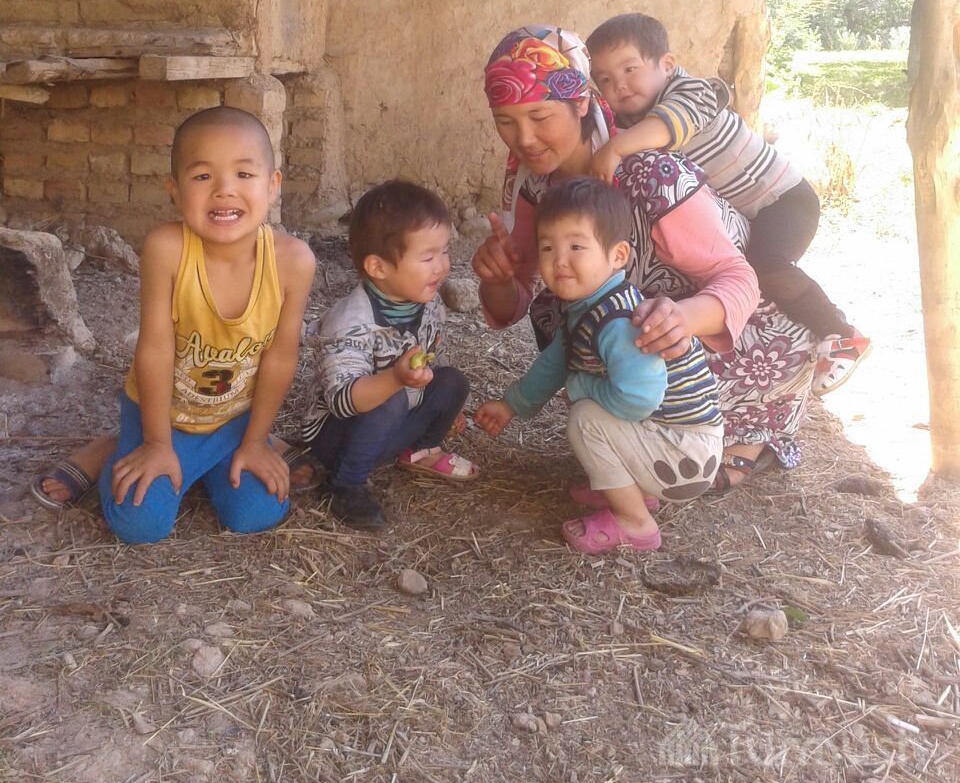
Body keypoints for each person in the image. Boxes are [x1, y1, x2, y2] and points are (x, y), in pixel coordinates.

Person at [473, 24, 816, 494]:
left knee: (606, 321)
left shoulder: (651, 175)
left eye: (539, 116)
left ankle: (741, 433)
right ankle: (635, 434)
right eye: (506, 122)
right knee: (560, 308)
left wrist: (682, 317)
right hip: (641, 342)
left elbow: (739, 278)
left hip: (731, 335)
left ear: (580, 104)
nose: (524, 138)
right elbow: (517, 301)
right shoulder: (538, 188)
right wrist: (498, 278)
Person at [31, 113, 319, 512]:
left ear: (272, 185)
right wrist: (155, 444)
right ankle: (111, 448)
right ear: (175, 190)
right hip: (164, 414)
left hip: (235, 416)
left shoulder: (293, 262)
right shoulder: (167, 249)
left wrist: (255, 441)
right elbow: (155, 349)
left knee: (259, 512)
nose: (224, 189)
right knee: (137, 518)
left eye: (244, 174)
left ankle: (251, 444)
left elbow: (281, 356)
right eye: (202, 176)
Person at [584, 13, 869, 395]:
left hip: (784, 199)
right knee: (747, 280)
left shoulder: (692, 92)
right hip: (748, 211)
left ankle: (842, 334)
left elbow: (667, 128)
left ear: (666, 64)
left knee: (766, 267)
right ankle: (799, 342)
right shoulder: (631, 118)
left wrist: (613, 149)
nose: (618, 84)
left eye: (629, 69)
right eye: (604, 79)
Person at [475, 177, 723, 554]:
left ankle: (635, 522)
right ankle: (628, 486)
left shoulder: (617, 321)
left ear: (618, 255)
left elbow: (638, 399)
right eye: (547, 247)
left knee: (586, 416)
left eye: (576, 246)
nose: (559, 260)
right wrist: (511, 404)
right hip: (672, 443)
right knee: (589, 407)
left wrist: (582, 388)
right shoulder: (588, 308)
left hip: (685, 454)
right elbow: (555, 363)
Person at [303, 180, 478, 531]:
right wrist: (396, 379)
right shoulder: (350, 322)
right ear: (378, 267)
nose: (442, 266)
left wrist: (436, 407)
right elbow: (342, 401)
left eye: (444, 252)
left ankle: (420, 450)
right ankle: (344, 484)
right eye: (427, 257)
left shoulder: (428, 304)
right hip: (336, 439)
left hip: (393, 420)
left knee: (452, 383)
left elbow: (426, 360)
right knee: (390, 399)